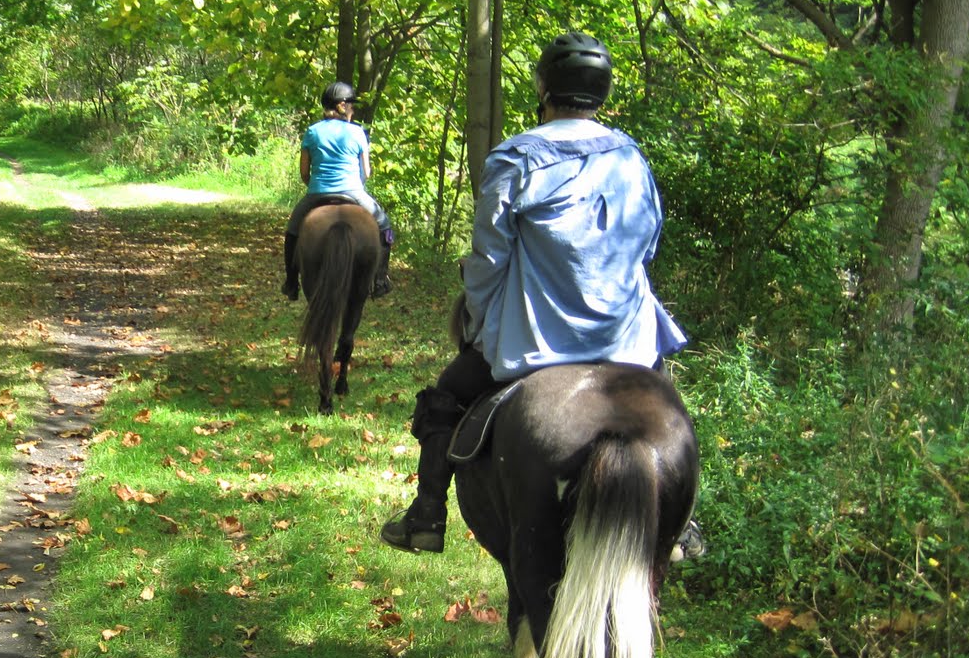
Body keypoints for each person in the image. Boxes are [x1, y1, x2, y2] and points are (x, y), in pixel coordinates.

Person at [380, 31, 690, 553]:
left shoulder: (516, 159)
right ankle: (682, 522)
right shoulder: (632, 158)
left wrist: (480, 321)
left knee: (448, 395)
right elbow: (648, 242)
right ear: (604, 92)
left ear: (543, 89)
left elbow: (487, 260)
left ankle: (427, 513)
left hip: (538, 341)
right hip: (626, 340)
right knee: (668, 411)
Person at [282, 80, 395, 301]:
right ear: (341, 106)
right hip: (353, 192)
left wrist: (317, 187)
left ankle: (291, 281)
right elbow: (367, 172)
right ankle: (380, 280)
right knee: (385, 227)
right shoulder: (357, 132)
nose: (353, 110)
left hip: (317, 193)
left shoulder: (312, 132)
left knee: (293, 231)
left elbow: (304, 172)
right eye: (351, 105)